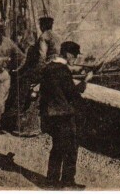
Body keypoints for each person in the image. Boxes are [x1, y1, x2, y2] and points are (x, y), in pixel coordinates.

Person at [40, 41, 92, 189]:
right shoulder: (63, 71)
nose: (75, 59)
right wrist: (85, 81)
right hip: (63, 115)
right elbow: (72, 94)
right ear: (68, 54)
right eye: (74, 56)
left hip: (50, 114)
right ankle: (68, 182)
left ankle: (51, 181)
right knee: (71, 148)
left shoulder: (49, 68)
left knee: (57, 147)